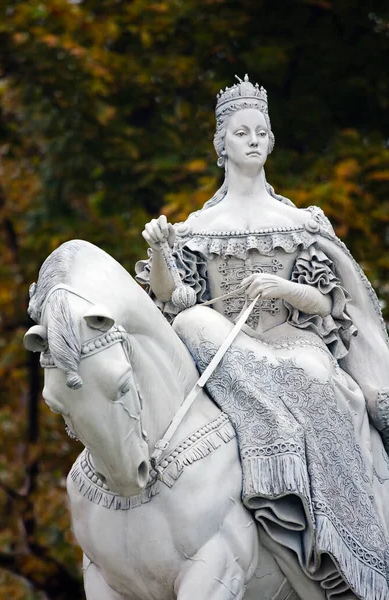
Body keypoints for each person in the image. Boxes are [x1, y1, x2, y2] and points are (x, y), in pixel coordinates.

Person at [136, 75, 389, 600]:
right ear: (220, 145)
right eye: (240, 132)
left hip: (293, 345)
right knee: (192, 324)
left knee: (317, 374)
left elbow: (329, 305)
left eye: (260, 132)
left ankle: (340, 529)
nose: (252, 140)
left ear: (270, 142)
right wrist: (160, 250)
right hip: (221, 347)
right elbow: (173, 300)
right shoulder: (196, 228)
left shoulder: (299, 223)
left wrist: (284, 288)